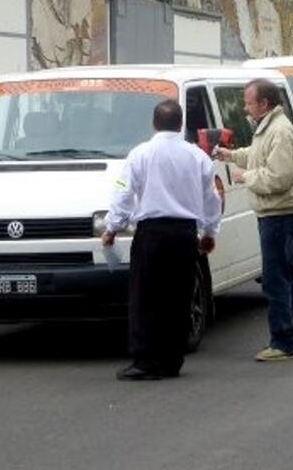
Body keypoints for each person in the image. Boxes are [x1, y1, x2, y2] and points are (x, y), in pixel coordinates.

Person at [103, 99, 222, 381]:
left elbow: (123, 192)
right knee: (177, 298)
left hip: (152, 234)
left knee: (146, 297)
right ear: (180, 124)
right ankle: (172, 359)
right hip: (184, 234)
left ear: (154, 124)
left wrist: (112, 227)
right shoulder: (197, 157)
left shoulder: (140, 154)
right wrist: (209, 233)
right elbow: (211, 198)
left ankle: (145, 360)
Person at [214, 79, 293, 362]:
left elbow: (279, 177)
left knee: (276, 279)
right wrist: (231, 155)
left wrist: (247, 177)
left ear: (264, 104)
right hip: (275, 214)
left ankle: (282, 342)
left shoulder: (279, 131)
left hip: (279, 215)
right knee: (286, 275)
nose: (245, 107)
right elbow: (258, 157)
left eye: (248, 102)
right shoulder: (268, 129)